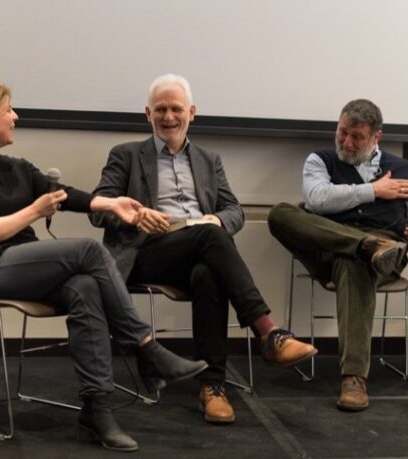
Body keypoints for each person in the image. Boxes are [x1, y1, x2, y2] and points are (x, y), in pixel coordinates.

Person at [0, 77, 208, 452]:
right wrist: (33, 210)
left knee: (85, 286)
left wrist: (112, 204)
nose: (15, 116)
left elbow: (65, 196)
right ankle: (146, 347)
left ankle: (97, 410)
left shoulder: (14, 166)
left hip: (25, 268)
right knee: (87, 251)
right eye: (7, 110)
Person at [89, 73, 317, 425]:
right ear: (147, 114)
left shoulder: (209, 160)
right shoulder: (126, 155)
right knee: (210, 238)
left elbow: (234, 210)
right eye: (160, 109)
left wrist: (219, 221)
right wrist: (135, 217)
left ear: (192, 112)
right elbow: (99, 209)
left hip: (199, 247)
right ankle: (269, 331)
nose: (168, 117)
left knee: (208, 271)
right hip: (148, 251)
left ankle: (212, 387)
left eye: (176, 108)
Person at [267, 99, 408, 411]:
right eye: (342, 132)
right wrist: (374, 191)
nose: (345, 141)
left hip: (386, 249)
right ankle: (363, 245)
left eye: (356, 136)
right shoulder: (320, 160)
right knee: (280, 214)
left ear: (376, 137)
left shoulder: (403, 170)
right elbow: (317, 200)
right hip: (328, 244)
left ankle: (354, 377)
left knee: (355, 262)